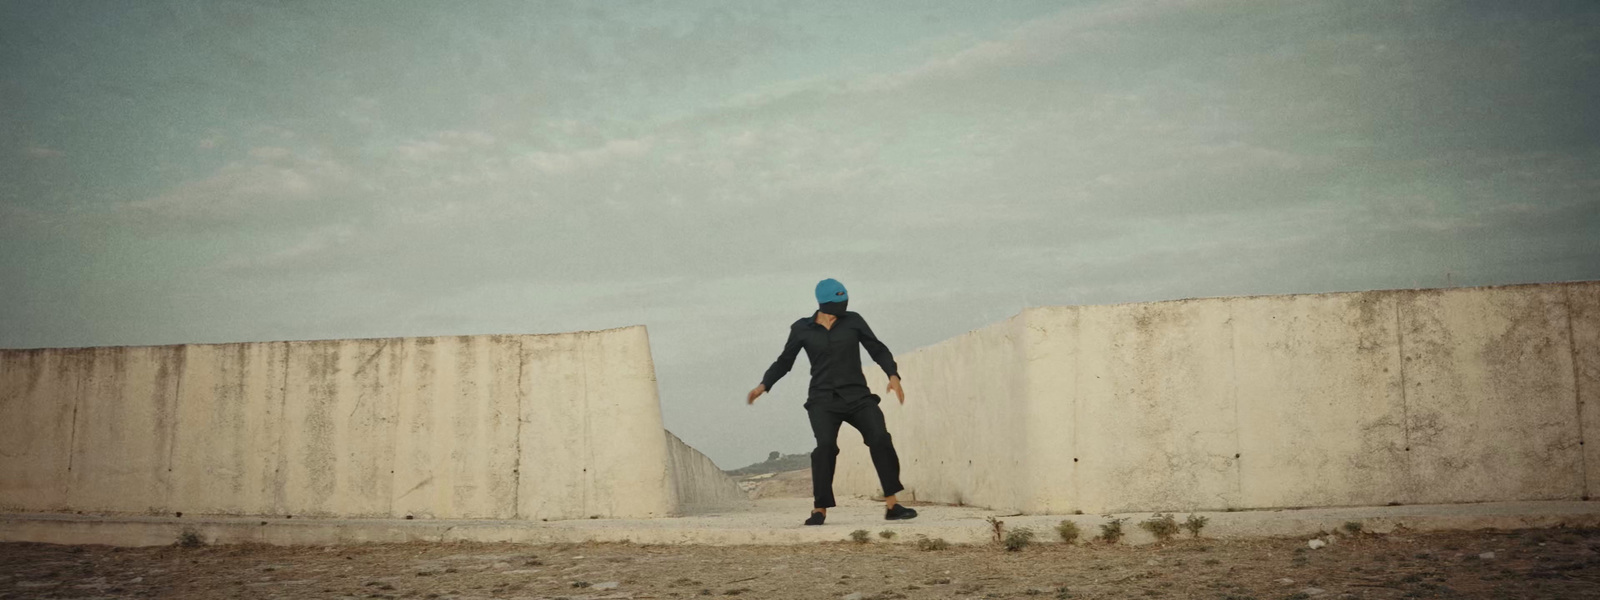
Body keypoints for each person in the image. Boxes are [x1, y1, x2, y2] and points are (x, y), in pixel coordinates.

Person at [746, 278, 917, 525]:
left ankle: (893, 505)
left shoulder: (854, 321)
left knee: (880, 438)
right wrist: (764, 385)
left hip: (858, 396)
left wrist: (892, 374)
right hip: (822, 400)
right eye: (838, 302)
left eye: (845, 300)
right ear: (824, 303)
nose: (843, 306)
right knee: (825, 447)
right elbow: (785, 361)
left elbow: (877, 349)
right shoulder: (801, 329)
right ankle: (820, 509)